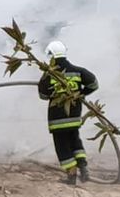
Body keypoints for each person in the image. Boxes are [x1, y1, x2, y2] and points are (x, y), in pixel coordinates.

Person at [38, 41, 98, 184]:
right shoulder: (78, 71)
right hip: (74, 117)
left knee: (62, 146)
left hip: (57, 120)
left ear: (51, 56)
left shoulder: (49, 75)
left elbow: (43, 95)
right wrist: (82, 93)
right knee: (75, 141)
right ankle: (83, 166)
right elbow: (94, 84)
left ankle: (71, 177)